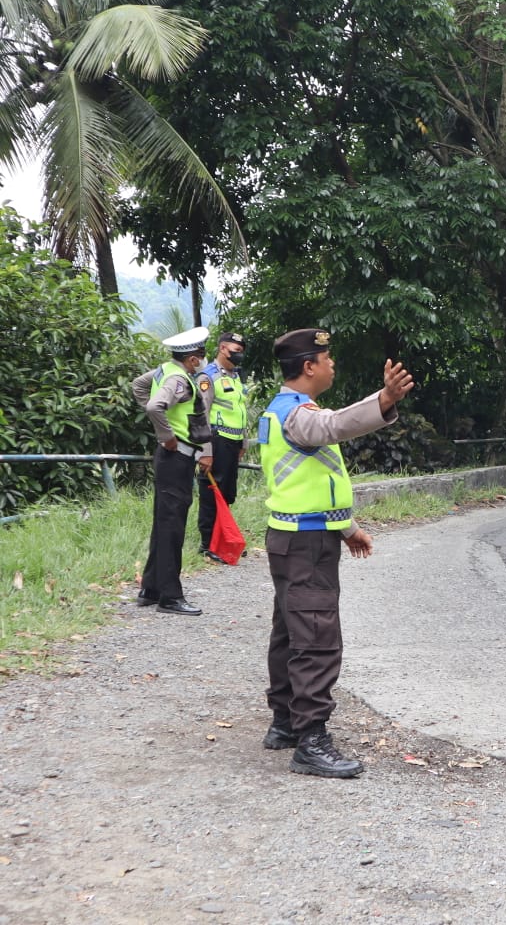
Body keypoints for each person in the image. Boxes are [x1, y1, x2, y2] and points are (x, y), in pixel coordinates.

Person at [257, 328, 414, 778]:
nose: (331, 365)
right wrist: (383, 400)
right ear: (309, 366)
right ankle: (311, 740)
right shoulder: (298, 414)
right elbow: (334, 426)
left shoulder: (279, 410)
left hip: (296, 536)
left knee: (290, 631)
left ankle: (285, 723)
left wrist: (347, 528)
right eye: (326, 358)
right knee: (317, 638)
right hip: (305, 545)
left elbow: (313, 483)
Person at [131, 326, 214, 616]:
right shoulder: (179, 379)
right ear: (192, 359)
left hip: (172, 459)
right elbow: (155, 406)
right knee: (172, 527)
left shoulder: (162, 371)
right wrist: (166, 435)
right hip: (176, 456)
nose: (202, 362)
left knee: (163, 522)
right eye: (201, 357)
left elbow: (138, 388)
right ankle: (170, 596)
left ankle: (151, 588)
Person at [197, 331, 248, 562]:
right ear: (222, 349)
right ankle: (208, 544)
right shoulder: (208, 376)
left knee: (226, 493)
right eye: (236, 351)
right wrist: (205, 452)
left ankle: (224, 539)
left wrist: (243, 442)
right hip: (216, 442)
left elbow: (239, 409)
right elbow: (201, 415)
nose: (239, 356)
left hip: (232, 443)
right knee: (211, 492)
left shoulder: (235, 376)